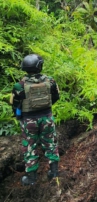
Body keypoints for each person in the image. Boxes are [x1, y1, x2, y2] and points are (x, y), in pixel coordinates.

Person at [11, 54, 60, 186]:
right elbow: (56, 97)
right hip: (47, 117)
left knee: (30, 147)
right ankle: (54, 172)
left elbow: (15, 105)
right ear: (40, 66)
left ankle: (31, 178)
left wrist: (19, 115)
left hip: (29, 121)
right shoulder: (50, 81)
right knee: (50, 143)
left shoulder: (19, 85)